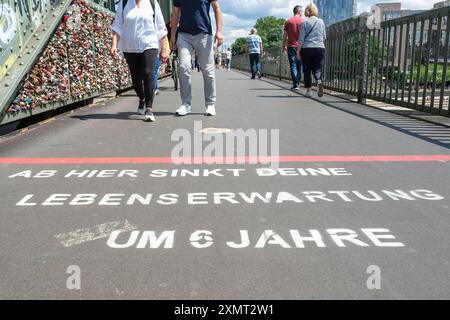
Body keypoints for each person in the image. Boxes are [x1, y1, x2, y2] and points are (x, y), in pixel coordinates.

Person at [111, 0, 169, 122]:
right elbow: (117, 25)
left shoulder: (152, 3)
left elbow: (160, 26)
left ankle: (149, 108)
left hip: (149, 43)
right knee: (135, 79)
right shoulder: (124, 3)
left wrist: (164, 48)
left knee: (149, 73)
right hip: (130, 46)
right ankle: (142, 98)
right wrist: (114, 45)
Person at [170, 0, 223, 117]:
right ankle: (186, 104)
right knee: (183, 67)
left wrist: (219, 31)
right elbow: (175, 13)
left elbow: (217, 8)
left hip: (204, 34)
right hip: (184, 35)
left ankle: (210, 104)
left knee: (207, 70)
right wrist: (173, 35)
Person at [297, 3, 326, 98]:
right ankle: (318, 81)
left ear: (307, 11)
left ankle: (309, 90)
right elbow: (324, 36)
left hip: (307, 48)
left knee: (307, 69)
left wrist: (298, 51)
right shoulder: (321, 21)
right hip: (319, 48)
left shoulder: (304, 22)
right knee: (317, 68)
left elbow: (301, 39)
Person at [283, 5, 303, 90]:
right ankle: (297, 82)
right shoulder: (303, 21)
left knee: (293, 65)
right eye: (302, 11)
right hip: (301, 47)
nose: (302, 13)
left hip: (291, 46)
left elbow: (284, 36)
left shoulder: (288, 21)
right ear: (298, 11)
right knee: (299, 65)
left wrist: (283, 46)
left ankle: (296, 84)